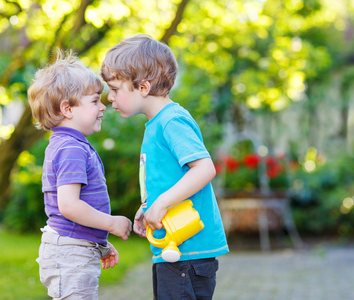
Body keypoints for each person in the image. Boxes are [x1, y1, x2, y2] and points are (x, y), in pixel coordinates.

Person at [101, 34, 229, 300]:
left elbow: (205, 168)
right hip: (174, 250)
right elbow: (170, 178)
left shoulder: (171, 121)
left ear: (143, 87)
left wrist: (162, 203)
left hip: (186, 252)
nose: (109, 97)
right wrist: (149, 206)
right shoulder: (157, 123)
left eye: (114, 89)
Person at [27, 49, 132, 300]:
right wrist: (111, 223)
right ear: (67, 108)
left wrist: (100, 243)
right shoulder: (72, 148)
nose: (103, 107)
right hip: (69, 254)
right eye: (95, 101)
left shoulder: (69, 144)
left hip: (73, 249)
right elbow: (69, 206)